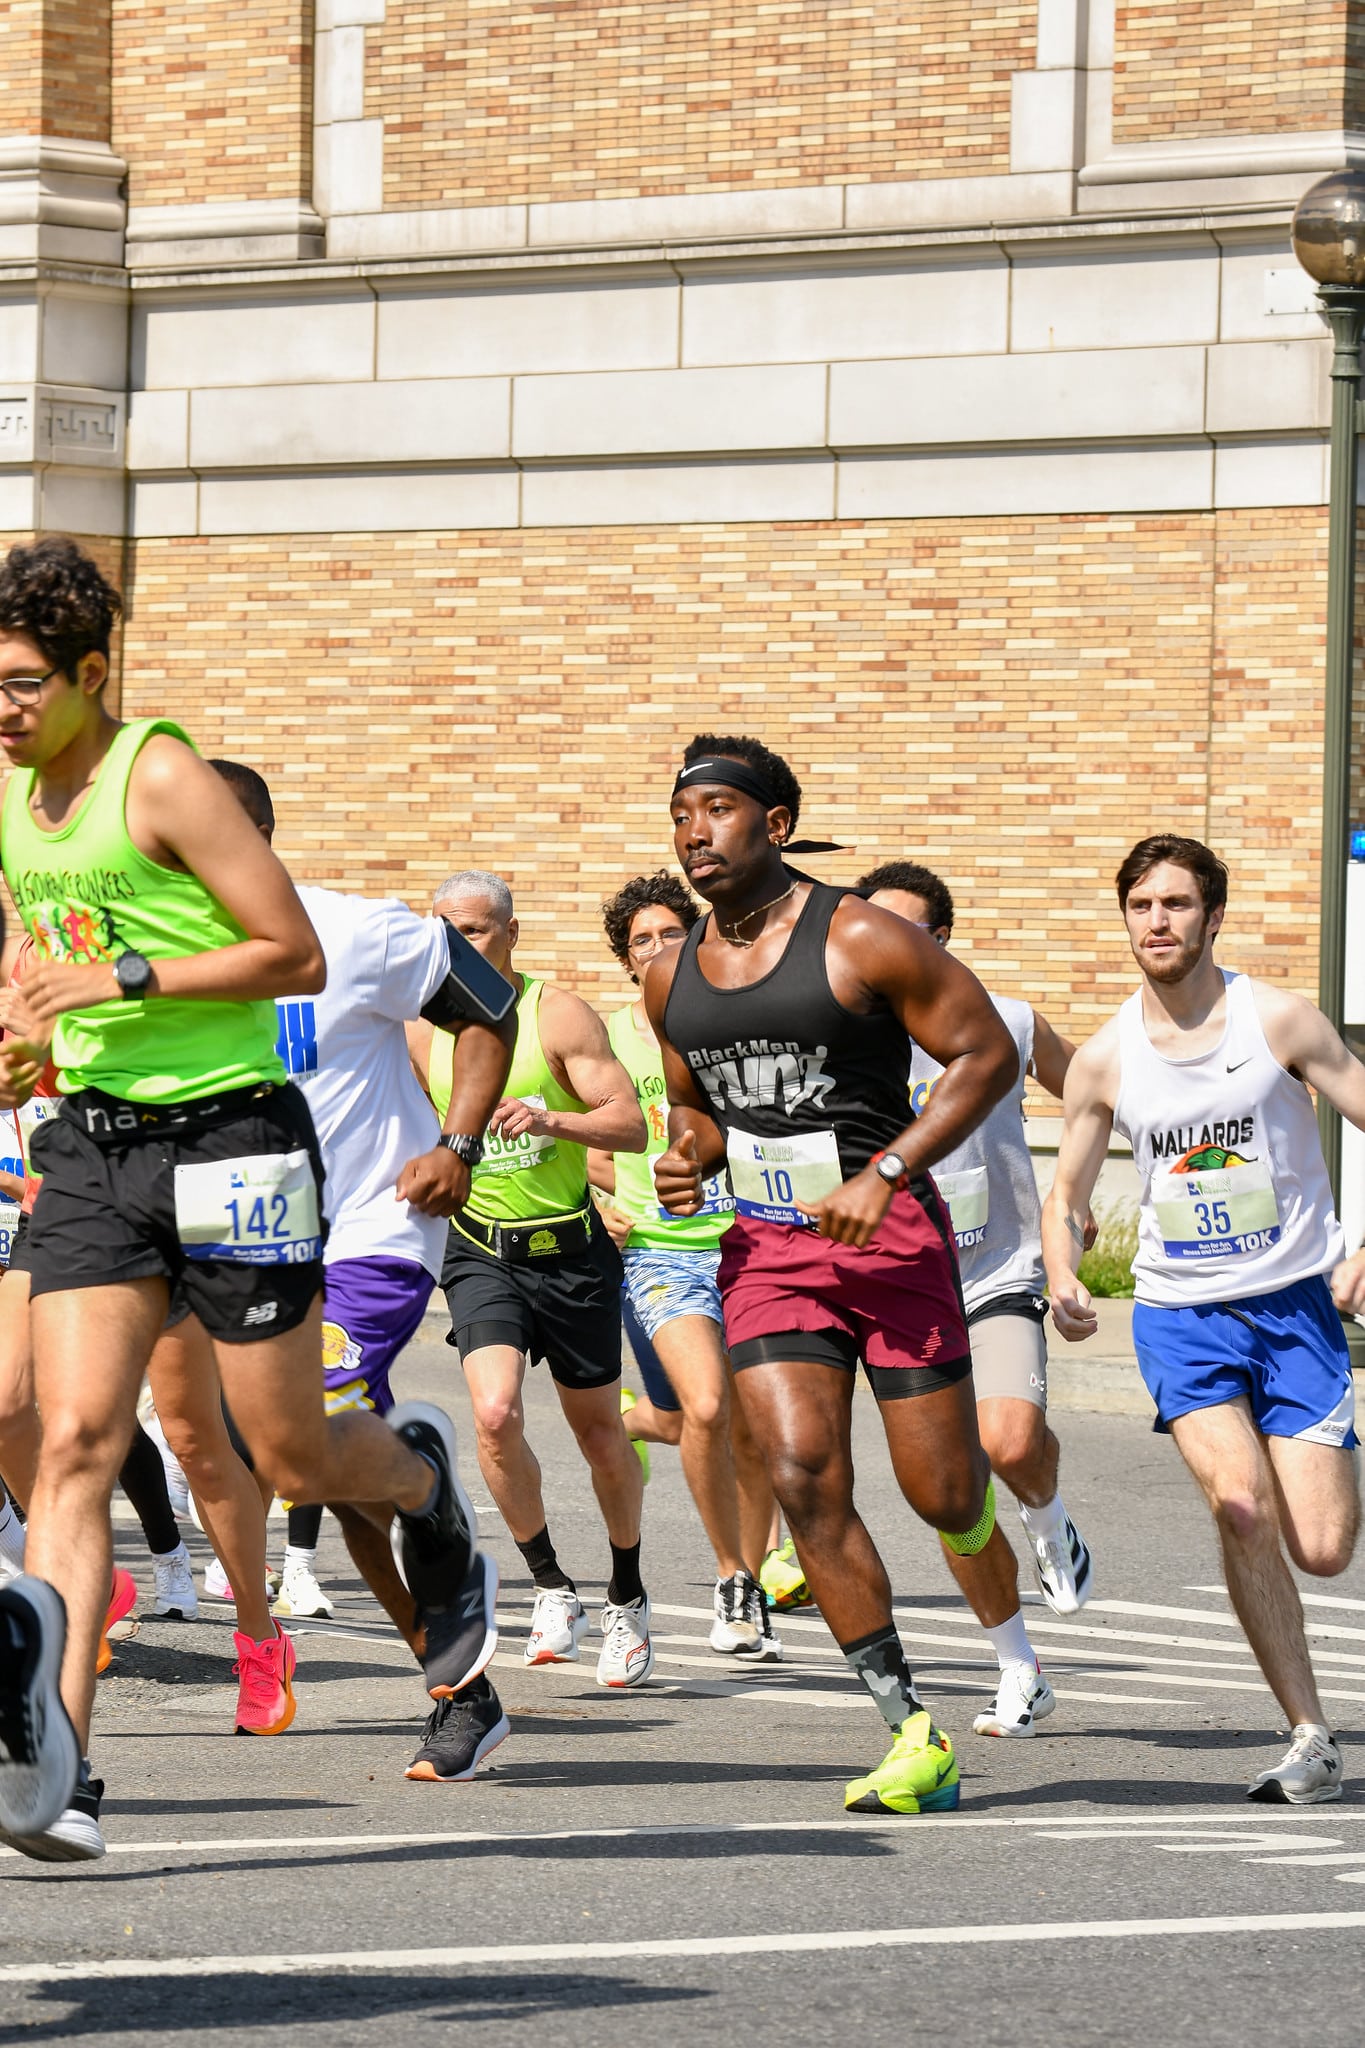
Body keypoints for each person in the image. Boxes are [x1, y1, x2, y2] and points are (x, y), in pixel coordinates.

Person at [0, 537, 487, 1862]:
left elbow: (292, 950)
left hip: (234, 1142)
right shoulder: (16, 801)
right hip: (98, 1147)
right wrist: (31, 1035)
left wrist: (120, 990)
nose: (5, 707)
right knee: (69, 1444)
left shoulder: (160, 773)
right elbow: (50, 956)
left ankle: (423, 1487)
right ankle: (59, 1769)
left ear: (96, 672)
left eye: (28, 682)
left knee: (288, 1451)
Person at [648, 733, 1017, 1814]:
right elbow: (693, 1104)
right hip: (768, 1248)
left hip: (887, 1239)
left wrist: (890, 1168)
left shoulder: (859, 932)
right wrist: (689, 1154)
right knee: (804, 1468)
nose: (695, 832)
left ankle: (995, 1548)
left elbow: (984, 1051)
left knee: (943, 1488)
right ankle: (911, 1726)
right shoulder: (671, 969)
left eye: (718, 809)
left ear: (776, 822)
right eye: (681, 814)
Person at [203, 759, 517, 1781]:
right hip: (249, 1234)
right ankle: (461, 1690)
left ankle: (424, 1477)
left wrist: (459, 1144)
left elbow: (490, 1008)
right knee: (323, 1474)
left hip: (374, 1226)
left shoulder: (357, 930)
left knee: (312, 1421)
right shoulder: (169, 961)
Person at [1043, 833, 1365, 1803]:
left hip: (1295, 1303)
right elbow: (1066, 1195)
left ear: (1212, 915)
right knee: (1239, 1504)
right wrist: (1064, 1273)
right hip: (1181, 1316)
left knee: (1322, 1544)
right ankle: (1308, 1729)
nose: (1159, 921)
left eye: (1178, 903)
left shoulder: (1280, 1023)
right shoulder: (1106, 1058)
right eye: (1142, 905)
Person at [860, 859, 1092, 1739]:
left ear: (939, 943)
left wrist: (1072, 1199)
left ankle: (1051, 1519)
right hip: (900, 1289)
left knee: (1010, 1441)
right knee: (950, 1496)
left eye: (907, 930)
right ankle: (1017, 1667)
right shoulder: (842, 1040)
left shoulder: (1005, 1020)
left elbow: (1097, 1098)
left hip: (994, 1271)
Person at [409, 871, 656, 1689]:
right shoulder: (422, 1029)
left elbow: (629, 1121)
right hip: (481, 1249)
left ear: (510, 933)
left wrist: (553, 1119)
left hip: (571, 1253)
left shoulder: (556, 1013)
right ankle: (551, 1585)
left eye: (473, 931)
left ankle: (626, 1592)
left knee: (597, 1435)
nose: (457, 945)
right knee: (492, 1412)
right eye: (444, 929)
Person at [590, 871, 779, 1660]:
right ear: (626, 961)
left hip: (752, 1244)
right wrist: (600, 1201)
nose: (660, 948)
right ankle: (733, 1574)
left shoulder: (737, 1019)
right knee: (705, 1409)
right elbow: (583, 1134)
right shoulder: (610, 1036)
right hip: (662, 1253)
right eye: (642, 941)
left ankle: (753, 1578)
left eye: (673, 933)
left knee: (753, 1428)